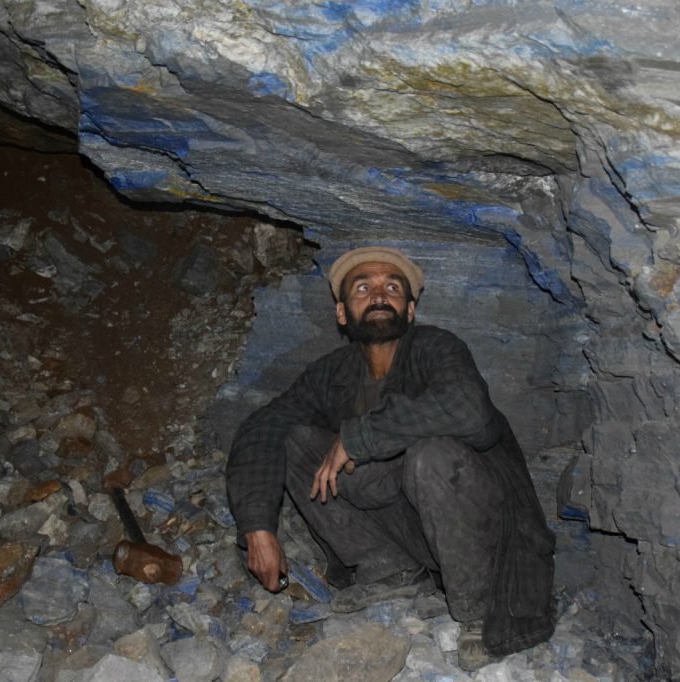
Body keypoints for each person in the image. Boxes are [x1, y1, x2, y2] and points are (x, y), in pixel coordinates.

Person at [226, 246, 555, 670]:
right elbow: (263, 427)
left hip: (490, 537)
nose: (380, 294)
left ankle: (478, 610)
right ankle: (389, 570)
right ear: (343, 314)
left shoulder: (437, 348)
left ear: (410, 308)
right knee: (294, 438)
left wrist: (360, 436)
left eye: (392, 287)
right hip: (412, 531)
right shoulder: (333, 374)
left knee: (431, 454)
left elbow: (470, 411)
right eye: (364, 288)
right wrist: (257, 527)